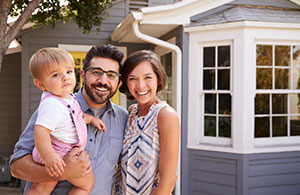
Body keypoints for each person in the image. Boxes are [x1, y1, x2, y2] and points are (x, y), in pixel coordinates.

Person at [10, 45, 128, 195]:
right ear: (83, 74)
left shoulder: (123, 119)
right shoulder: (54, 107)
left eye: (111, 75)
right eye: (97, 72)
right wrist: (62, 172)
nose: (103, 80)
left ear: (118, 82)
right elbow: (16, 167)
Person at [27, 48, 107, 195]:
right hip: (58, 152)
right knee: (86, 185)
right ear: (41, 84)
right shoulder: (51, 104)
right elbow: (41, 131)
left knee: (43, 188)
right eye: (56, 75)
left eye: (69, 72)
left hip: (59, 151)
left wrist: (91, 119)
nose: (65, 78)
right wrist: (49, 155)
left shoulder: (67, 97)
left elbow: (74, 116)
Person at [117, 50, 180, 195]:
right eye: (132, 78)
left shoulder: (165, 115)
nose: (140, 85)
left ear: (158, 79)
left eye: (147, 77)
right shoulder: (132, 112)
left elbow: (168, 181)